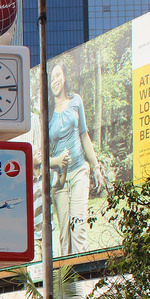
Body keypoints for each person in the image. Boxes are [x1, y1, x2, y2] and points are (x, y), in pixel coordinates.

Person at [48, 63, 104, 256]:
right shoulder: (46, 114)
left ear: (64, 77)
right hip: (60, 180)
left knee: (77, 227)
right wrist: (57, 161)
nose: (55, 80)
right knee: (64, 234)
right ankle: (67, 283)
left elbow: (84, 135)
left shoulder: (76, 101)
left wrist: (96, 166)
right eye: (52, 78)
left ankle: (84, 278)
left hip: (79, 170)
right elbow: (42, 157)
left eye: (58, 75)